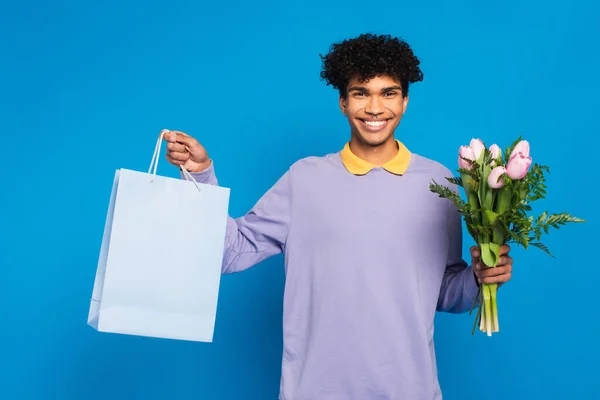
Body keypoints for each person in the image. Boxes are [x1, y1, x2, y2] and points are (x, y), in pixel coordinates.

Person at [163, 33, 513, 400]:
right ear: (343, 103)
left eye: (389, 92)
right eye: (361, 93)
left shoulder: (439, 183)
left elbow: (442, 291)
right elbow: (229, 252)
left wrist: (480, 277)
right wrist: (199, 175)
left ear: (406, 101)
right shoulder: (304, 179)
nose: (375, 107)